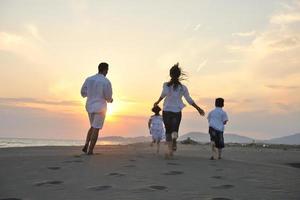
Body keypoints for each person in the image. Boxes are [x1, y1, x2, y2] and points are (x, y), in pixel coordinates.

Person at [154, 63, 205, 159]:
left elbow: (163, 94)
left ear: (170, 74)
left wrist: (157, 102)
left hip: (167, 110)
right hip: (177, 111)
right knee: (175, 129)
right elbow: (189, 99)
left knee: (168, 131)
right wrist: (198, 108)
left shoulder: (166, 85)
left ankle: (170, 152)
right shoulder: (183, 88)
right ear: (179, 75)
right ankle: (174, 141)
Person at [81, 62, 113, 155]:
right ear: (105, 70)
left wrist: (91, 94)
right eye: (107, 70)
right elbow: (108, 96)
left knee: (93, 126)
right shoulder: (106, 81)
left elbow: (83, 92)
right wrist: (111, 100)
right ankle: (90, 150)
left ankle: (86, 144)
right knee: (96, 128)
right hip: (100, 108)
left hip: (90, 106)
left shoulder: (89, 79)